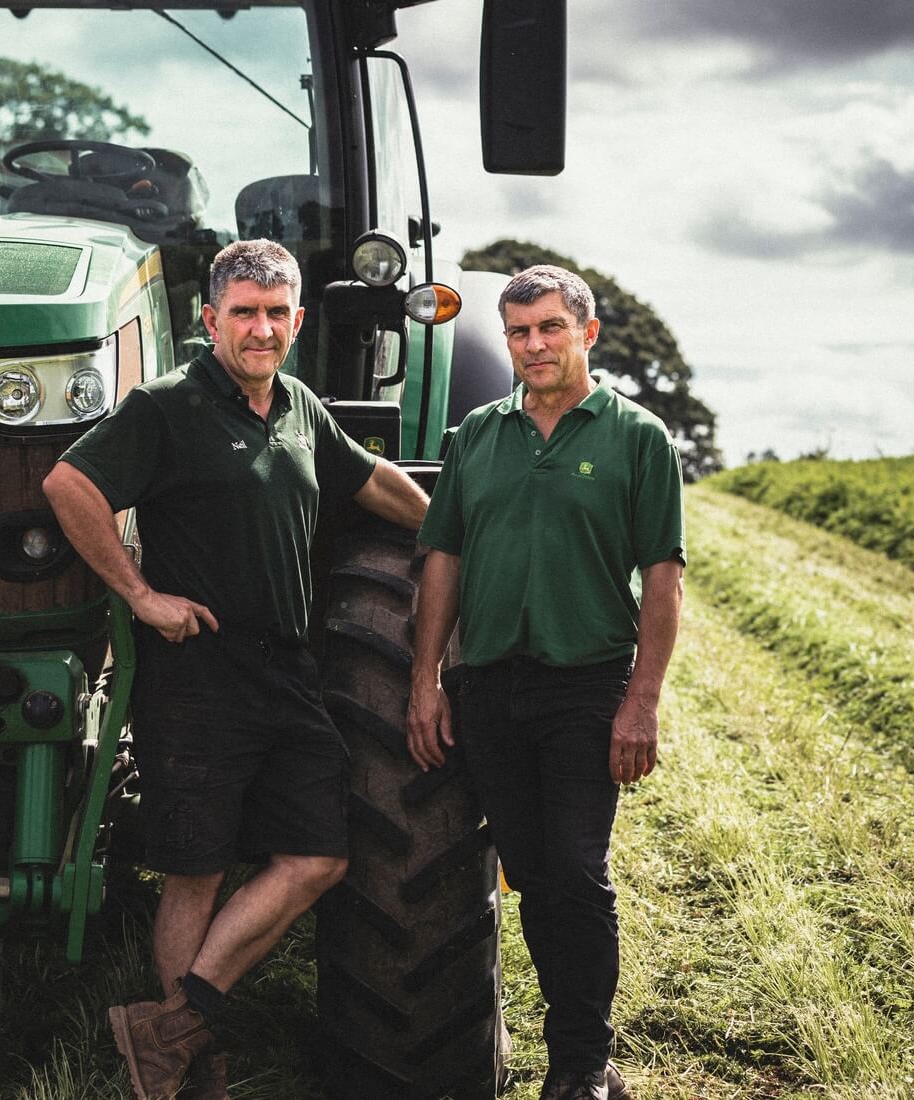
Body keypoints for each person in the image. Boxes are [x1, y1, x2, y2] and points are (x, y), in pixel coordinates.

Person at [43, 238, 429, 1100]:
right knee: (198, 868)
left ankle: (169, 1030)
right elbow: (70, 486)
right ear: (211, 319)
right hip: (198, 670)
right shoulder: (166, 407)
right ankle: (196, 1067)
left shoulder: (298, 405)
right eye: (244, 312)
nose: (261, 328)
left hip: (286, 669)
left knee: (318, 855)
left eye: (276, 313)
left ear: (298, 320)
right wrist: (141, 595)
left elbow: (373, 483)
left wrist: (449, 533)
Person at [406, 265, 685, 1100]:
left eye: (550, 328)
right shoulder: (477, 437)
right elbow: (443, 560)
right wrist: (427, 679)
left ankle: (581, 1065)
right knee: (529, 869)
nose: (533, 345)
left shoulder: (636, 437)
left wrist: (642, 701)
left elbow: (664, 580)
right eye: (519, 332)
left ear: (586, 333)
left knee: (573, 867)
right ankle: (576, 1047)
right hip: (489, 686)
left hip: (584, 685)